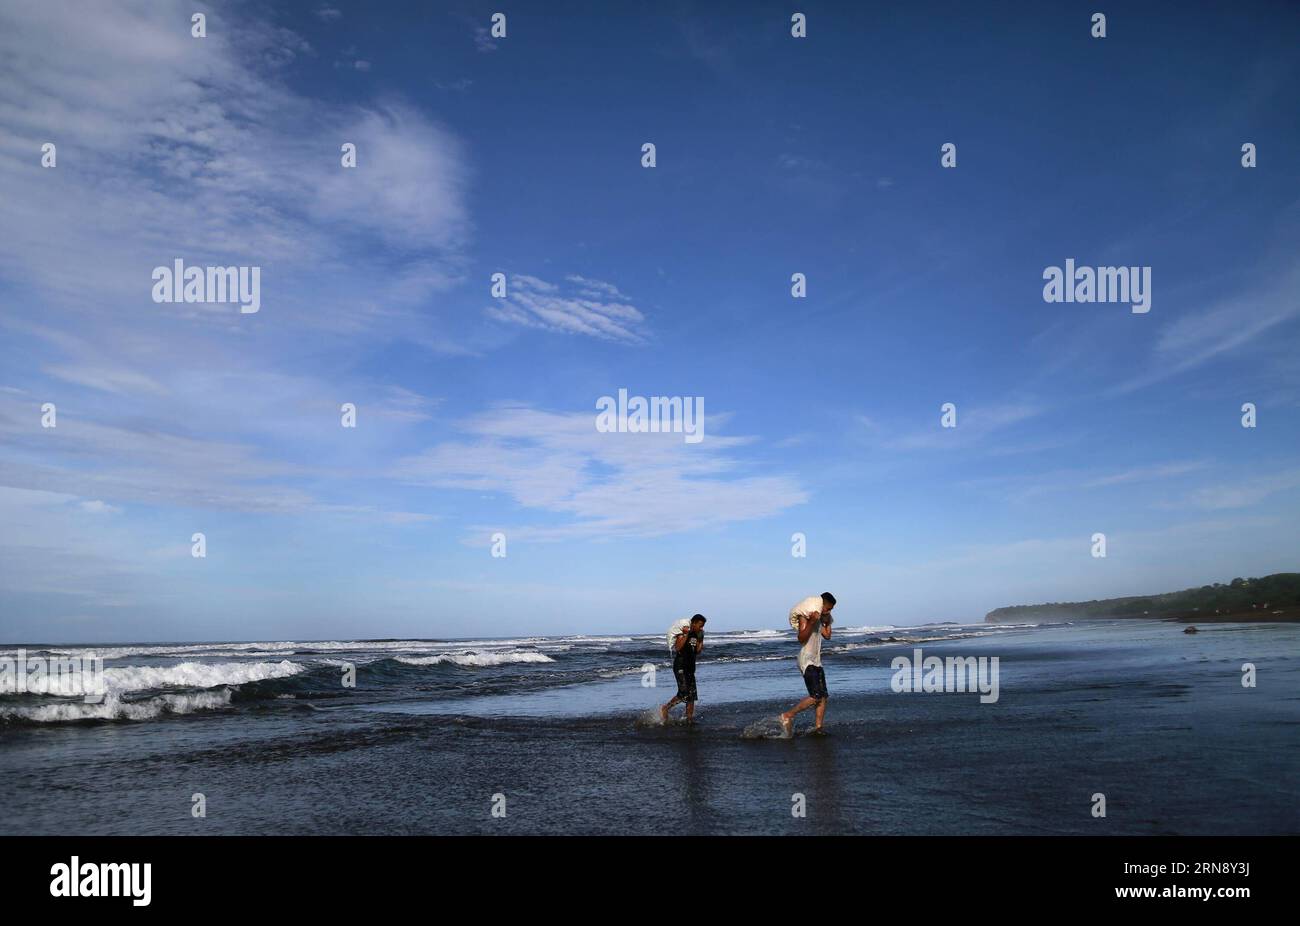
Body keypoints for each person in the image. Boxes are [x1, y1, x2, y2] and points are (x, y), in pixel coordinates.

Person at [780, 593, 835, 736]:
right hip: (806, 660)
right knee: (816, 696)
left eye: (831, 610)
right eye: (828, 609)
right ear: (822, 604)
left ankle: (818, 728)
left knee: (823, 697)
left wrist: (827, 621)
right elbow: (801, 638)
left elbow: (827, 636)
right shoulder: (805, 616)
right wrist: (811, 622)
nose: (828, 612)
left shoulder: (819, 618)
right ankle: (787, 715)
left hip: (816, 661)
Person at [661, 614, 707, 724]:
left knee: (692, 695)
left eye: (703, 626)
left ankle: (689, 718)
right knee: (684, 693)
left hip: (691, 667)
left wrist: (701, 639)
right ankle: (665, 708)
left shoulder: (697, 634)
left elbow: (698, 651)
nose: (701, 628)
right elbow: (678, 647)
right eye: (700, 626)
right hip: (680, 665)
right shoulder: (683, 632)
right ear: (693, 623)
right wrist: (686, 634)